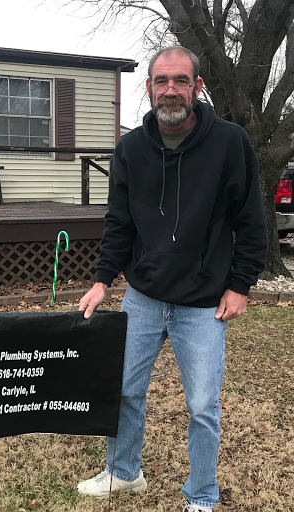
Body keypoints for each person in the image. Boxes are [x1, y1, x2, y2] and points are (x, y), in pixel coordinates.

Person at [77, 46, 267, 512]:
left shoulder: (230, 143)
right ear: (149, 89)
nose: (171, 89)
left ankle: (201, 496)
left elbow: (252, 221)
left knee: (203, 407)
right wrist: (103, 279)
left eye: (181, 80)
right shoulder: (130, 149)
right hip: (142, 297)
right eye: (162, 81)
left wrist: (240, 285)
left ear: (197, 88)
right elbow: (119, 222)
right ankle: (125, 473)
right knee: (123, 390)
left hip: (203, 305)